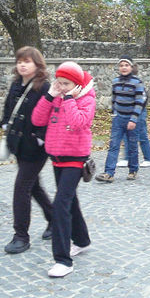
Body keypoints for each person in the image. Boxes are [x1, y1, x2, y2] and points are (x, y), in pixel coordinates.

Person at [32, 61, 95, 278]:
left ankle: (62, 260)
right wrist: (50, 96)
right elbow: (37, 119)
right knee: (70, 201)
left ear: (76, 84)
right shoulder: (55, 95)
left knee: (60, 205)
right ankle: (82, 240)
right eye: (59, 83)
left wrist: (69, 99)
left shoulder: (87, 100)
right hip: (57, 156)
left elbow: (78, 122)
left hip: (75, 158)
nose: (62, 87)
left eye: (66, 84)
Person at [1, 47, 53, 255]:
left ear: (37, 64)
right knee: (33, 187)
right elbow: (7, 109)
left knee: (21, 188)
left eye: (27, 61)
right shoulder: (16, 84)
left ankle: (21, 235)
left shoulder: (44, 86)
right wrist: (5, 125)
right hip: (18, 146)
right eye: (20, 61)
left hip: (35, 148)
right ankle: (55, 219)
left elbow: (49, 114)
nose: (22, 65)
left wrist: (39, 137)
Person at [96, 55, 146, 183]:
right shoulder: (115, 81)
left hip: (132, 119)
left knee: (132, 146)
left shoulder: (137, 82)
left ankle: (133, 170)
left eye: (126, 65)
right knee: (113, 145)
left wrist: (133, 119)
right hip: (118, 119)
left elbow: (139, 102)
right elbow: (114, 99)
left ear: (131, 67)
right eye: (121, 65)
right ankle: (109, 173)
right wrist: (114, 113)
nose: (123, 68)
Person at [116, 64, 150, 168]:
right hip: (128, 113)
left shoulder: (138, 84)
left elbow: (143, 100)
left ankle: (148, 158)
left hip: (139, 113)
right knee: (127, 135)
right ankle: (127, 158)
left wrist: (137, 114)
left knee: (142, 135)